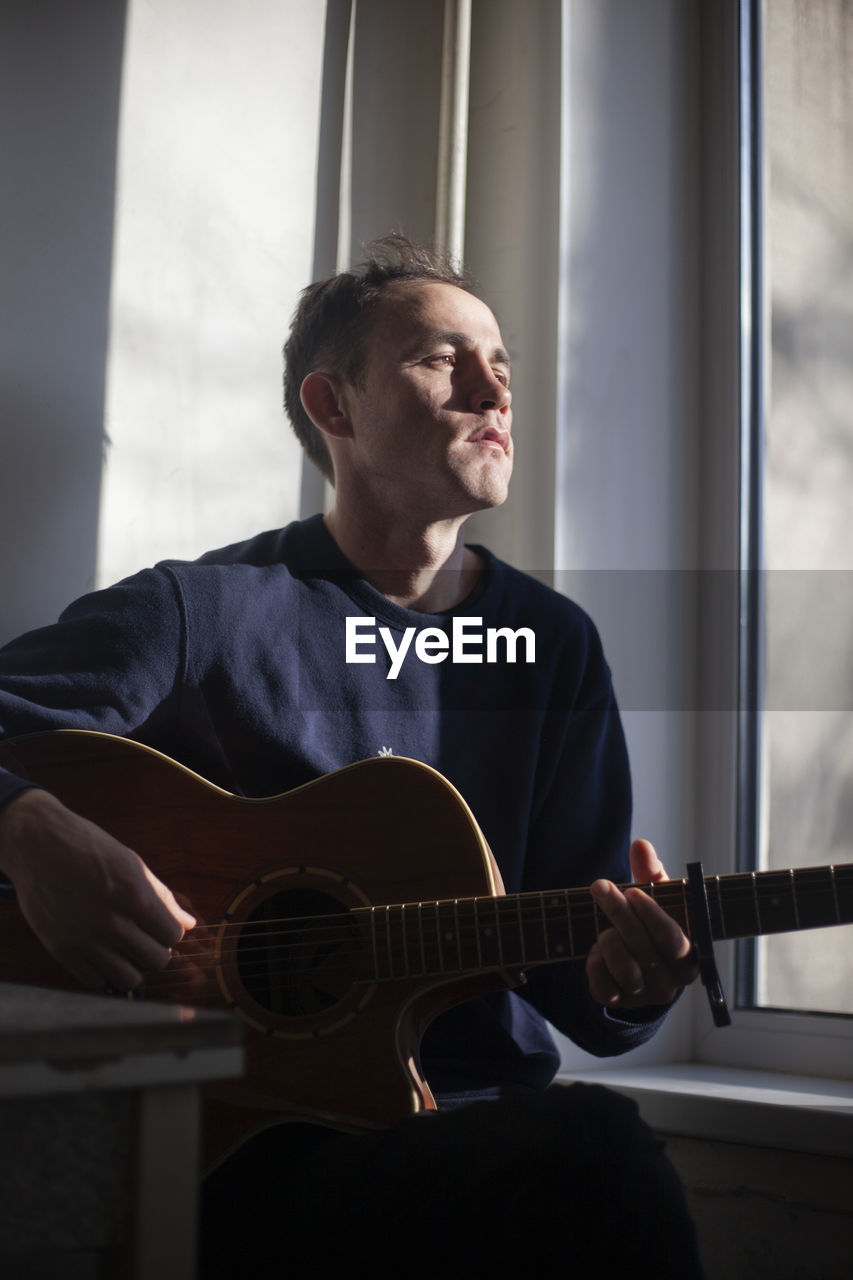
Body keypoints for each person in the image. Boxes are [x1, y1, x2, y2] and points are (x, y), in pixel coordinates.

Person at [0, 235, 703, 1275]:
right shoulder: (203, 611)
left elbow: (577, 985)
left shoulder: (555, 647)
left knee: (591, 1149)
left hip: (470, 1128)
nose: (492, 388)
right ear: (333, 407)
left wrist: (634, 979)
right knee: (603, 1158)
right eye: (441, 358)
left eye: (501, 364)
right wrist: (26, 824)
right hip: (241, 1137)